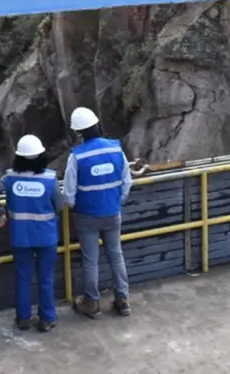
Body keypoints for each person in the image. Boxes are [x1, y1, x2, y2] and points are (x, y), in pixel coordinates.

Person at [0, 134, 64, 332]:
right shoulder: (49, 178)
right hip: (46, 236)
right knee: (45, 278)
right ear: (41, 156)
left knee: (22, 278)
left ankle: (23, 319)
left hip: (20, 236)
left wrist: (0, 213)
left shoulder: (10, 177)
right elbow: (60, 205)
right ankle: (47, 319)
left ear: (18, 157)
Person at [63, 106, 134, 318]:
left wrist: (80, 206)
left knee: (90, 260)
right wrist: (114, 202)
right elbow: (126, 182)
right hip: (113, 213)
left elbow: (68, 194)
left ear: (78, 132)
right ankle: (123, 300)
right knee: (116, 255)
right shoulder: (115, 149)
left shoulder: (77, 157)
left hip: (87, 216)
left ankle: (92, 303)